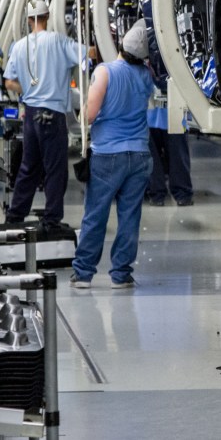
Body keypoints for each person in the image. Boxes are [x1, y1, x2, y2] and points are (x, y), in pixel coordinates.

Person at [70, 20, 154, 289]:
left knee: (96, 213)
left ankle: (83, 273)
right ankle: (121, 274)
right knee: (130, 216)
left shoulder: (105, 72)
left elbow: (89, 115)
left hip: (108, 156)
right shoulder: (146, 75)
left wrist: (80, 107)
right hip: (140, 154)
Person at [3, 0, 87, 229]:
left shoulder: (19, 46)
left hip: (31, 114)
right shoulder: (59, 42)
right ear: (47, 17)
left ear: (29, 20)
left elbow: (9, 82)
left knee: (29, 167)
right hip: (53, 114)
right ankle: (51, 219)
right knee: (55, 169)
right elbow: (86, 56)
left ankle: (15, 216)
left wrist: (29, 89)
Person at [145, 102, 194, 207]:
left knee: (178, 154)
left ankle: (181, 193)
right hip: (150, 112)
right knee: (153, 157)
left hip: (177, 111)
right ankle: (158, 193)